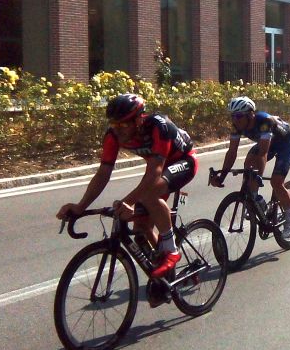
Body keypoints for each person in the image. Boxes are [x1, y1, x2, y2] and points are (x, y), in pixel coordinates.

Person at [57, 93, 197, 285]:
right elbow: (103, 173)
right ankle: (166, 277)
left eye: (123, 125)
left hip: (183, 161)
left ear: (139, 119)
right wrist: (81, 206)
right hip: (161, 168)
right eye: (114, 125)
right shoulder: (113, 135)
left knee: (149, 196)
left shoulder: (159, 126)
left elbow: (154, 170)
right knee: (141, 229)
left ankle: (172, 250)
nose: (118, 130)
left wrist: (129, 201)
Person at [211, 96, 290, 239]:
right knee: (249, 162)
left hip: (285, 144)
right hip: (268, 143)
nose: (235, 120)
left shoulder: (264, 122)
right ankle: (256, 200)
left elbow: (263, 153)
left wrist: (258, 176)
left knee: (275, 182)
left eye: (239, 116)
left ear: (251, 114)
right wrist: (222, 176)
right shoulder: (236, 126)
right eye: (232, 116)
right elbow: (232, 152)